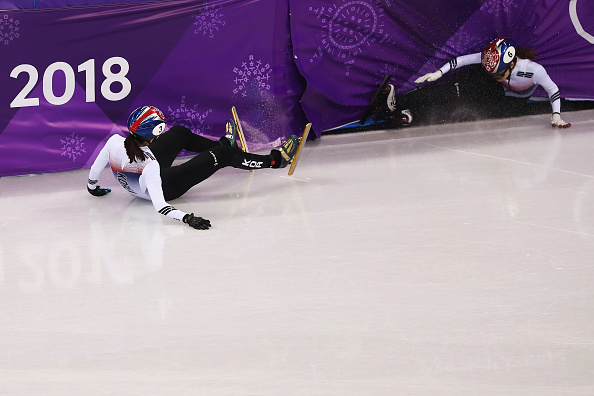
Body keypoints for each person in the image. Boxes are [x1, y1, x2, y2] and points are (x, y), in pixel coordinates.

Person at [87, 105, 299, 230]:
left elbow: (97, 165)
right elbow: (160, 205)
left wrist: (92, 187)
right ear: (155, 132)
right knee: (224, 156)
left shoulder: (115, 141)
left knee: (179, 133)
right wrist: (187, 218)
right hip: (166, 187)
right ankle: (275, 161)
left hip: (141, 182)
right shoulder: (149, 165)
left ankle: (224, 144)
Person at [414, 36, 571, 128]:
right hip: (499, 89)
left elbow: (553, 90)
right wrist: (439, 73)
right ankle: (411, 101)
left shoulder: (534, 70)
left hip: (514, 100)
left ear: (511, 64)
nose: (495, 76)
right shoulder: (495, 68)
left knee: (476, 110)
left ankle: (420, 114)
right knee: (466, 86)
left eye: (498, 73)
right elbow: (463, 60)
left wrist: (556, 114)